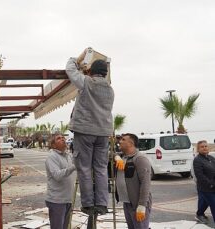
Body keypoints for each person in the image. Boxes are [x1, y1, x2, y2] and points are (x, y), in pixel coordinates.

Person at [66, 50, 114, 215]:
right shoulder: (110, 89)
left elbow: (70, 71)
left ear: (91, 71)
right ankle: (102, 204)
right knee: (100, 168)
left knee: (85, 168)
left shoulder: (87, 82)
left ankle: (87, 204)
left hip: (85, 131)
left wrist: (75, 59)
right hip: (103, 132)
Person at [115, 133, 152, 229]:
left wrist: (142, 205)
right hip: (127, 203)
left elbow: (145, 183)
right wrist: (116, 157)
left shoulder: (140, 159)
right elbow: (108, 153)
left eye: (123, 140)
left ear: (131, 144)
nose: (120, 141)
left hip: (137, 204)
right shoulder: (123, 157)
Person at [45, 134, 76, 229]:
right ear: (53, 145)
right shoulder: (52, 157)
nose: (63, 139)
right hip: (57, 201)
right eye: (59, 138)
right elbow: (57, 175)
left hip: (68, 199)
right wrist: (73, 167)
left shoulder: (68, 156)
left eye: (63, 138)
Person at [193, 140, 215, 224]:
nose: (204, 148)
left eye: (206, 146)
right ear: (198, 149)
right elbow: (200, 176)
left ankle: (199, 214)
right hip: (206, 188)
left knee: (204, 202)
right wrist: (211, 184)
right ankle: (199, 214)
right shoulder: (197, 160)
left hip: (213, 185)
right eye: (202, 147)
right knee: (213, 204)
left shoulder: (211, 158)